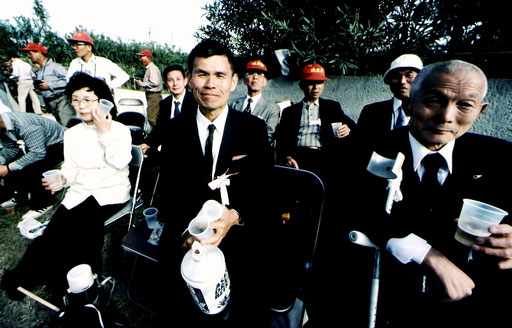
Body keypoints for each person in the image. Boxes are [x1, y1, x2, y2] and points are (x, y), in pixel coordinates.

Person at [358, 60, 512, 327]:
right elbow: (352, 208)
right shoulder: (368, 150)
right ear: (409, 104)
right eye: (433, 101)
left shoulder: (502, 158)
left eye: (464, 104)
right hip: (387, 306)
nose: (446, 116)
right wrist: (429, 256)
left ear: (481, 110)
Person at [154, 39, 275, 327]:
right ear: (189, 79)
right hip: (188, 237)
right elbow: (166, 195)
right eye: (201, 74)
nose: (210, 84)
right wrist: (187, 232)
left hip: (241, 234)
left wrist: (236, 216)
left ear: (234, 81)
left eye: (219, 75)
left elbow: (266, 191)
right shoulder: (171, 130)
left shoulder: (254, 129)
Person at [1, 73, 132, 300]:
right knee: (55, 229)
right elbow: (71, 168)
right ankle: (23, 278)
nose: (81, 106)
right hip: (81, 191)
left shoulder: (119, 130)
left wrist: (104, 131)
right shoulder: (71, 133)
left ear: (101, 101)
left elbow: (120, 162)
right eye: (76, 99)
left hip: (110, 192)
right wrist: (62, 179)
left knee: (83, 231)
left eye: (88, 100)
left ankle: (81, 289)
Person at [275, 63, 357, 183]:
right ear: (302, 85)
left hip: (325, 157)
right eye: (311, 83)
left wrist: (348, 129)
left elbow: (353, 126)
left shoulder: (332, 107)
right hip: (299, 157)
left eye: (320, 83)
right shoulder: (290, 111)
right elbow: (281, 139)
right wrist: (287, 157)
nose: (316, 87)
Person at [0, 111, 64, 220]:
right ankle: (19, 196)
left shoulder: (24, 125)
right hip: (41, 145)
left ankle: (43, 204)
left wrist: (8, 168)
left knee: (33, 165)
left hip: (59, 143)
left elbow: (38, 153)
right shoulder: (4, 125)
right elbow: (11, 148)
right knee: (16, 162)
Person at [357, 54, 423, 156]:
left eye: (409, 75)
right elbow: (359, 149)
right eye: (397, 76)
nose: (402, 81)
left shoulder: (431, 113)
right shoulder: (371, 112)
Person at [138, 64, 196, 155]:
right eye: (170, 80)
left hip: (190, 151)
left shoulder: (195, 102)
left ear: (185, 81)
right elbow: (159, 128)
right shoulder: (165, 103)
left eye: (178, 79)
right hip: (168, 151)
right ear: (166, 84)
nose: (175, 83)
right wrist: (147, 143)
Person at [21, 42, 75, 126]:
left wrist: (49, 85)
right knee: (60, 126)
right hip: (51, 103)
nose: (28, 55)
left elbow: (68, 81)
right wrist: (40, 90)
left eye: (30, 53)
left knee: (67, 125)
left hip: (61, 100)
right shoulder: (40, 70)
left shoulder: (55, 67)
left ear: (39, 53)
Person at [229, 60, 280, 142]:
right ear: (245, 80)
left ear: (265, 82)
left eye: (260, 74)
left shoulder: (272, 108)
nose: (255, 77)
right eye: (251, 73)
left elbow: (269, 134)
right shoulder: (233, 104)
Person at [135, 49, 163, 128]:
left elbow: (155, 82)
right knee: (154, 117)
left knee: (152, 118)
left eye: (142, 57)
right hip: (152, 96)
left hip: (154, 96)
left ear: (148, 57)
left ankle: (156, 137)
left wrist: (142, 84)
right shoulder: (150, 68)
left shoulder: (152, 68)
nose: (140, 59)